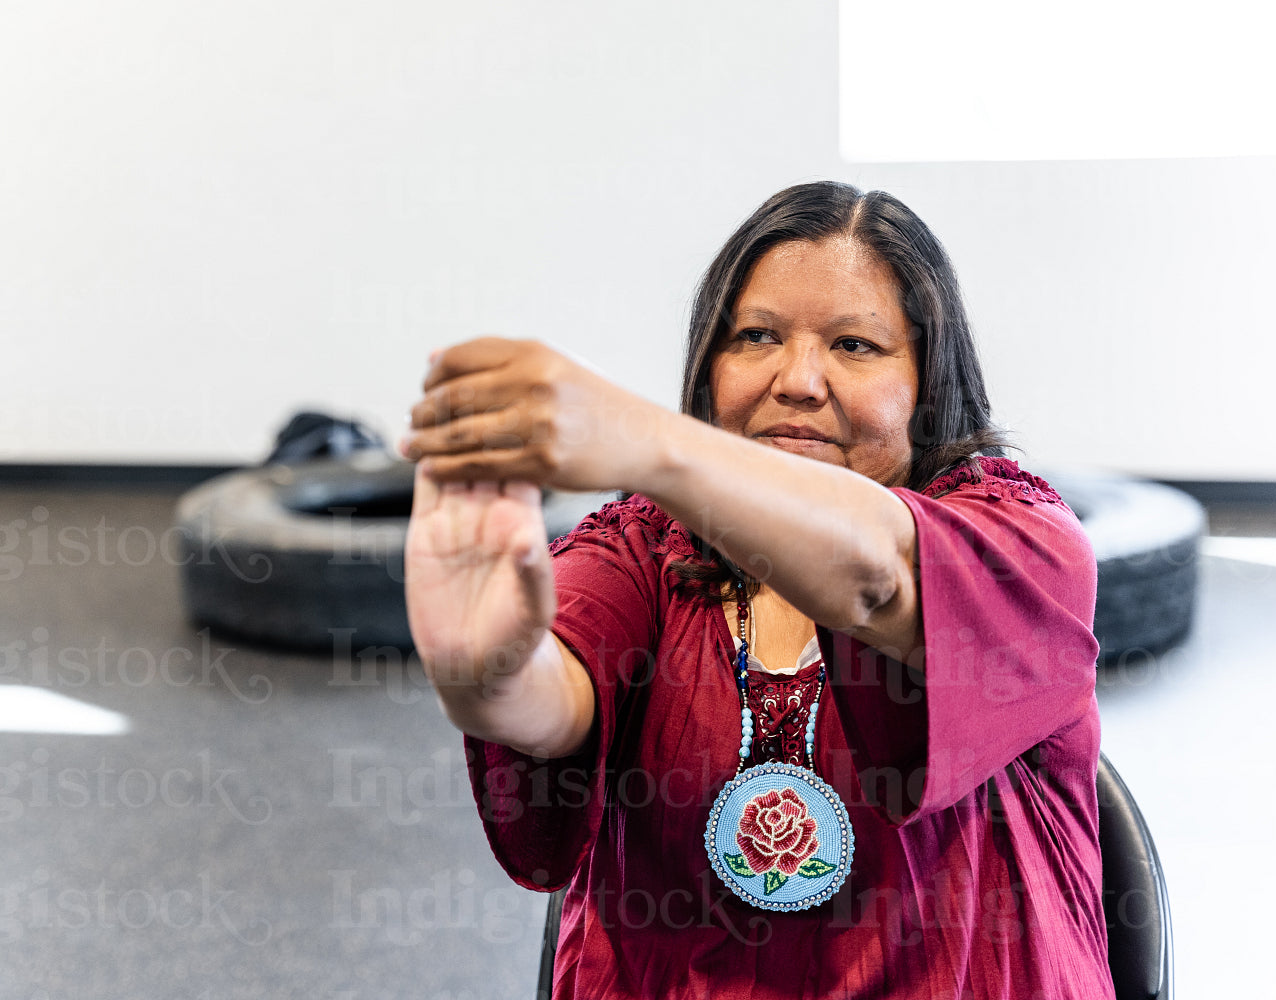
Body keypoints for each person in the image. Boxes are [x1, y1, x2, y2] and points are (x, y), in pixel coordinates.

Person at [401, 181, 1113, 999]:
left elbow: (879, 581)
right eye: (757, 336)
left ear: (928, 384)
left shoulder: (1025, 541)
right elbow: (549, 701)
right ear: (711, 367)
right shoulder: (646, 543)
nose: (798, 380)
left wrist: (644, 441)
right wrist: (485, 669)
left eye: (855, 346)